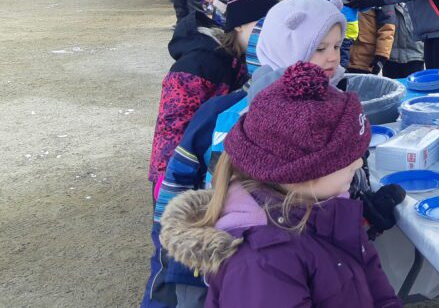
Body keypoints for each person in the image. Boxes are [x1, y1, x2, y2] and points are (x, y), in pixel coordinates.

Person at [159, 61, 402, 308]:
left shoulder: (327, 207)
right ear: (303, 172)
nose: (358, 162)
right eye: (348, 157)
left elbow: (373, 283)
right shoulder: (262, 263)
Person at [148, 0, 278, 191]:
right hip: (179, 173)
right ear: (239, 25)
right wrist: (170, 181)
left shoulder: (247, 61)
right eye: (263, 24)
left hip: (213, 169)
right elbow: (172, 127)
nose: (269, 32)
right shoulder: (198, 64)